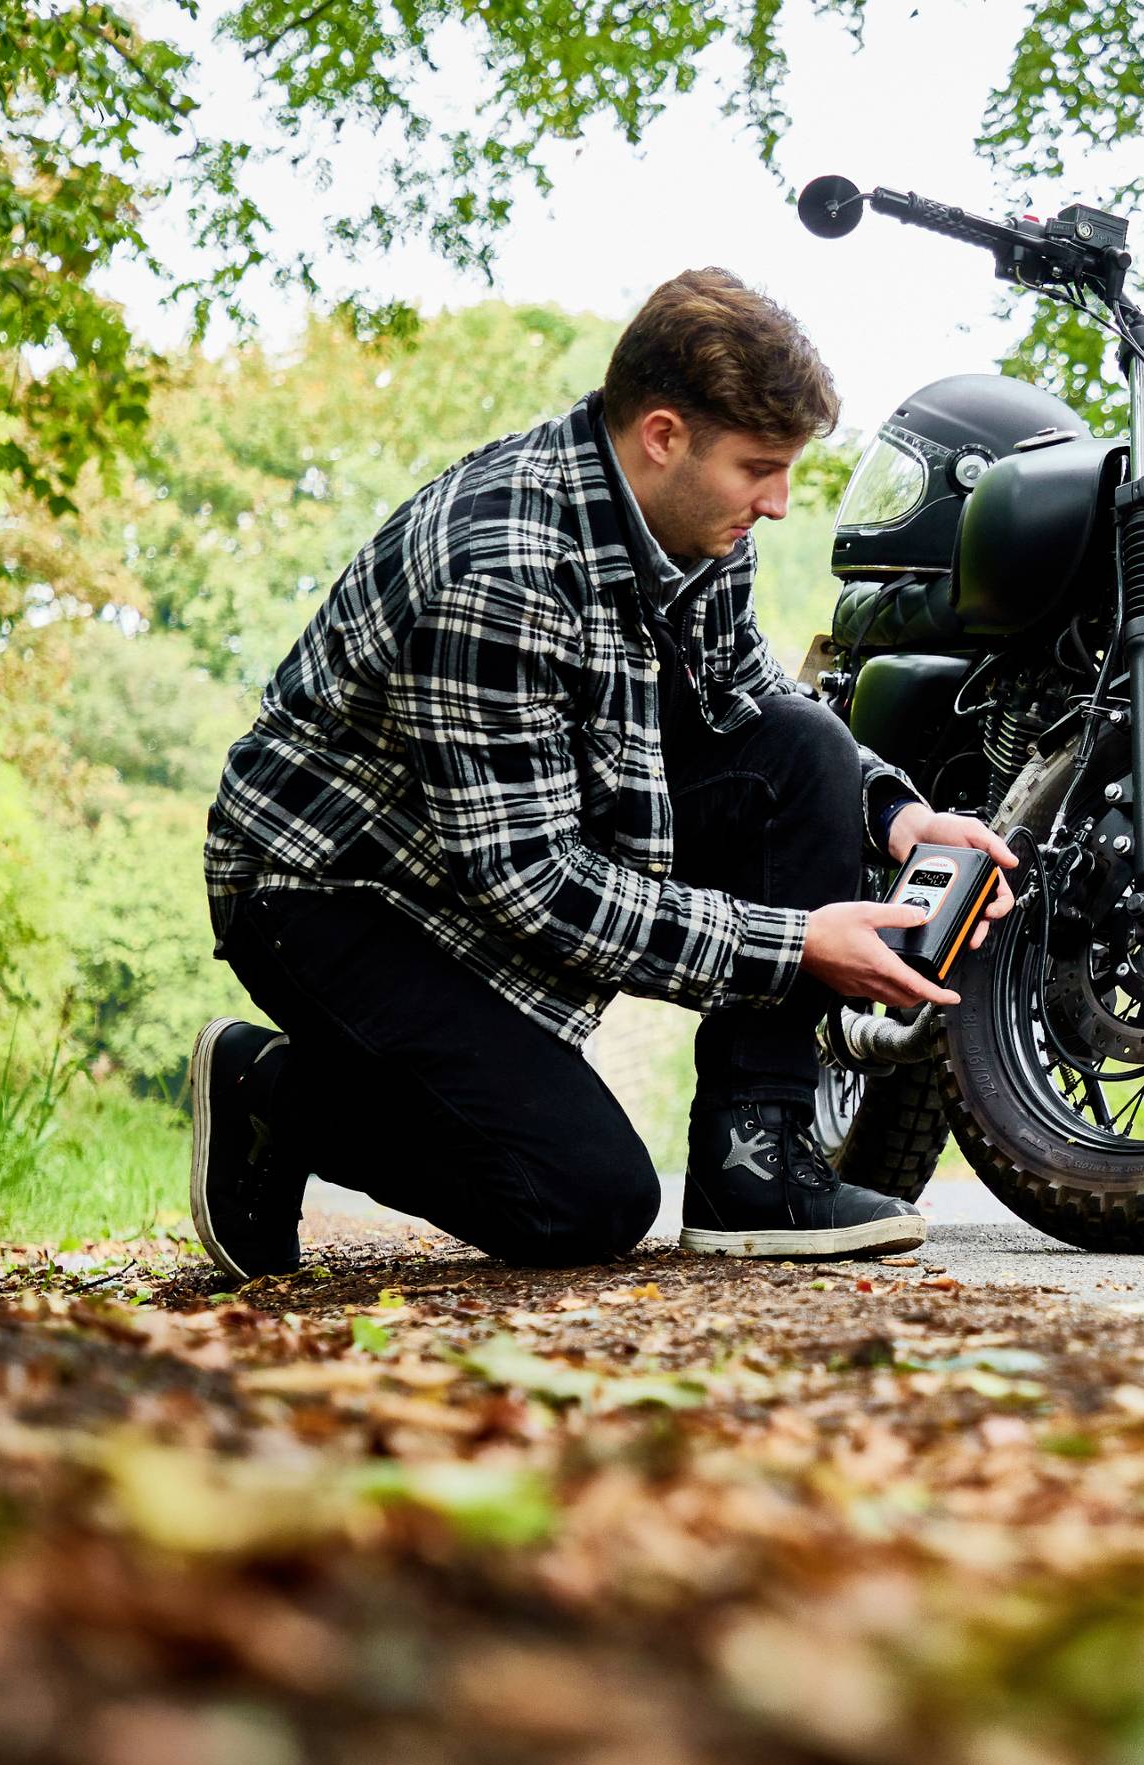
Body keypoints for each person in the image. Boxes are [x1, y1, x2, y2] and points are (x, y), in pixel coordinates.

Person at [187, 268, 1014, 1282]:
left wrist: (892, 815)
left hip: (507, 846)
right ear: (663, 435)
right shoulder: (501, 569)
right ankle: (278, 1095)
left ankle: (757, 1169)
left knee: (805, 746)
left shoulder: (694, 521)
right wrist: (797, 946)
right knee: (583, 1202)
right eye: (760, 467)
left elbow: (749, 692)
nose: (780, 502)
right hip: (336, 896)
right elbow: (532, 885)